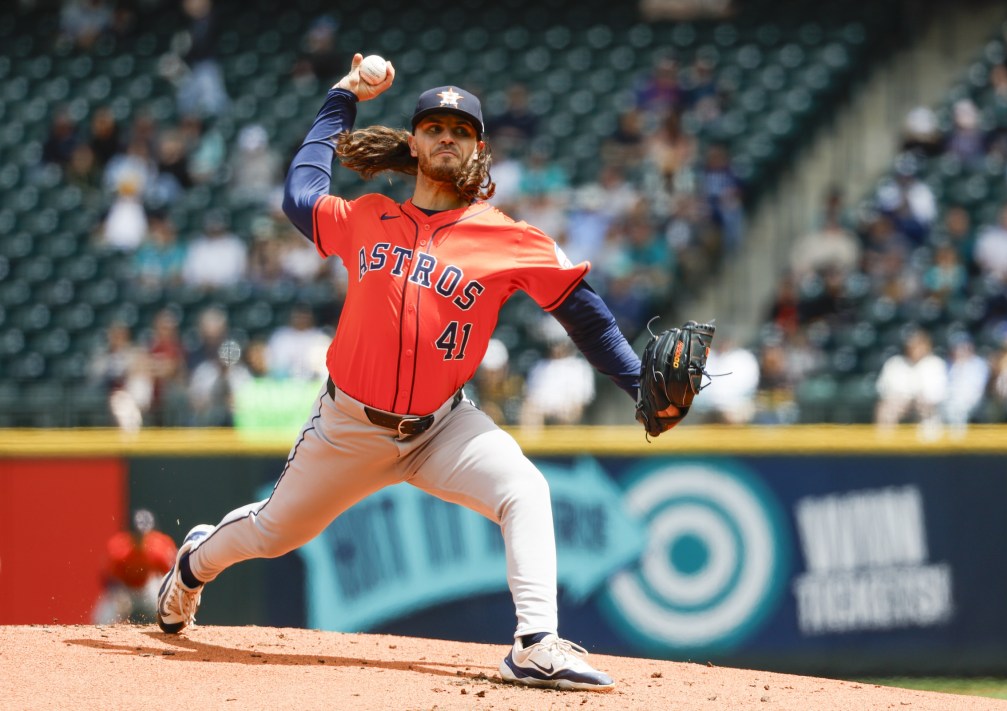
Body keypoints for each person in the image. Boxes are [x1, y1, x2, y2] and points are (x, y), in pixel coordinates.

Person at [155, 53, 677, 692]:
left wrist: (636, 384)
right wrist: (341, 97)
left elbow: (588, 319)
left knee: (525, 489)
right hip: (349, 424)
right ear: (414, 142)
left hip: (442, 427)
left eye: (461, 131)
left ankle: (536, 643)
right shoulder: (369, 216)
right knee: (271, 532)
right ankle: (192, 566)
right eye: (435, 127)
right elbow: (299, 193)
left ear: (480, 150)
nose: (447, 138)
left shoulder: (509, 238)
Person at [94, 509, 177, 624]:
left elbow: (173, 575)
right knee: (104, 617)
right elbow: (106, 577)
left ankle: (172, 630)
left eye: (144, 535)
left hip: (148, 587)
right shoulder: (119, 548)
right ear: (130, 534)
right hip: (124, 589)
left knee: (168, 607)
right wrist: (116, 594)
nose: (141, 539)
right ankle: (98, 637)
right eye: (138, 535)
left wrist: (166, 595)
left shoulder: (160, 548)